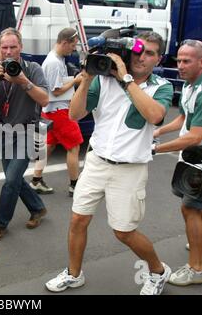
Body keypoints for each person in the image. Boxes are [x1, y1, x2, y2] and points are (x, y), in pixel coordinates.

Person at [45, 31, 173, 295]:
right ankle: (74, 274)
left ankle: (158, 270)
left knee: (124, 232)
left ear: (158, 59)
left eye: (150, 53)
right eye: (138, 50)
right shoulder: (102, 80)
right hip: (96, 162)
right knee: (78, 220)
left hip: (130, 170)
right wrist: (88, 77)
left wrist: (125, 78)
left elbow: (155, 116)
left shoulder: (161, 86)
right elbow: (75, 114)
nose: (141, 56)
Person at [0, 27, 49, 243]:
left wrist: (22, 81)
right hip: (4, 132)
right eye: (4, 47)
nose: (9, 51)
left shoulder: (32, 68)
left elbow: (45, 99)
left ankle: (0, 224)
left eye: (13, 47)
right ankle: (37, 208)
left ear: (21, 47)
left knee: (11, 180)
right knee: (15, 179)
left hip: (27, 131)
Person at [153, 39, 202, 286]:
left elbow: (196, 135)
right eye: (179, 60)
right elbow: (184, 117)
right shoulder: (189, 85)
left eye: (187, 61)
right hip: (193, 158)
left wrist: (156, 149)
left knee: (190, 208)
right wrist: (157, 132)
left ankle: (197, 268)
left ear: (201, 62)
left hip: (199, 159)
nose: (180, 65)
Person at [30, 28, 83, 196]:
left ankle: (36, 181)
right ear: (64, 42)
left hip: (51, 110)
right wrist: (75, 80)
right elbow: (56, 91)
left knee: (50, 145)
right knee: (74, 146)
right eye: (73, 45)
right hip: (59, 110)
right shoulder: (54, 62)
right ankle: (75, 186)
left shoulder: (56, 59)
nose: (74, 49)